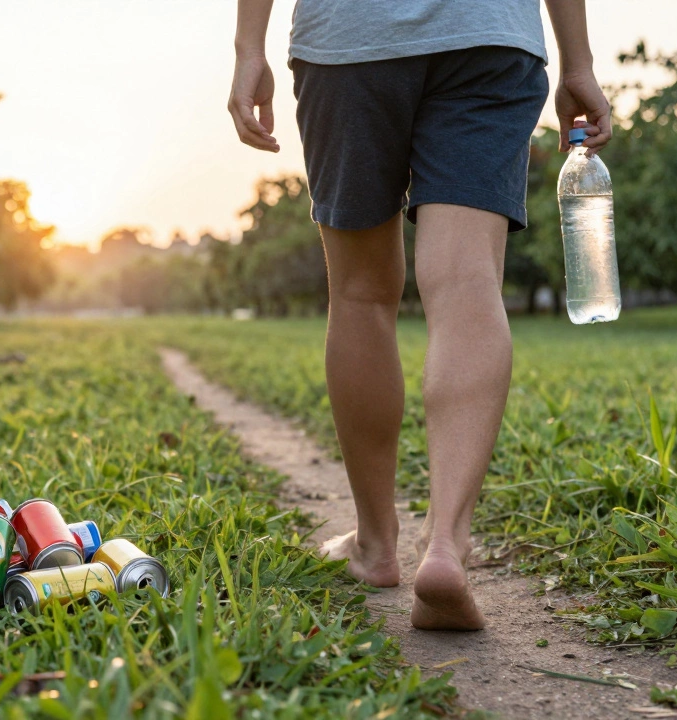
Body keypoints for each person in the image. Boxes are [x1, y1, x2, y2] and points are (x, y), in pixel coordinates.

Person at [228, 0, 611, 631]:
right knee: (467, 283)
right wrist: (579, 60)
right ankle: (446, 545)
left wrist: (249, 50)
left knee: (360, 294)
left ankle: (376, 545)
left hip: (348, 40)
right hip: (488, 35)